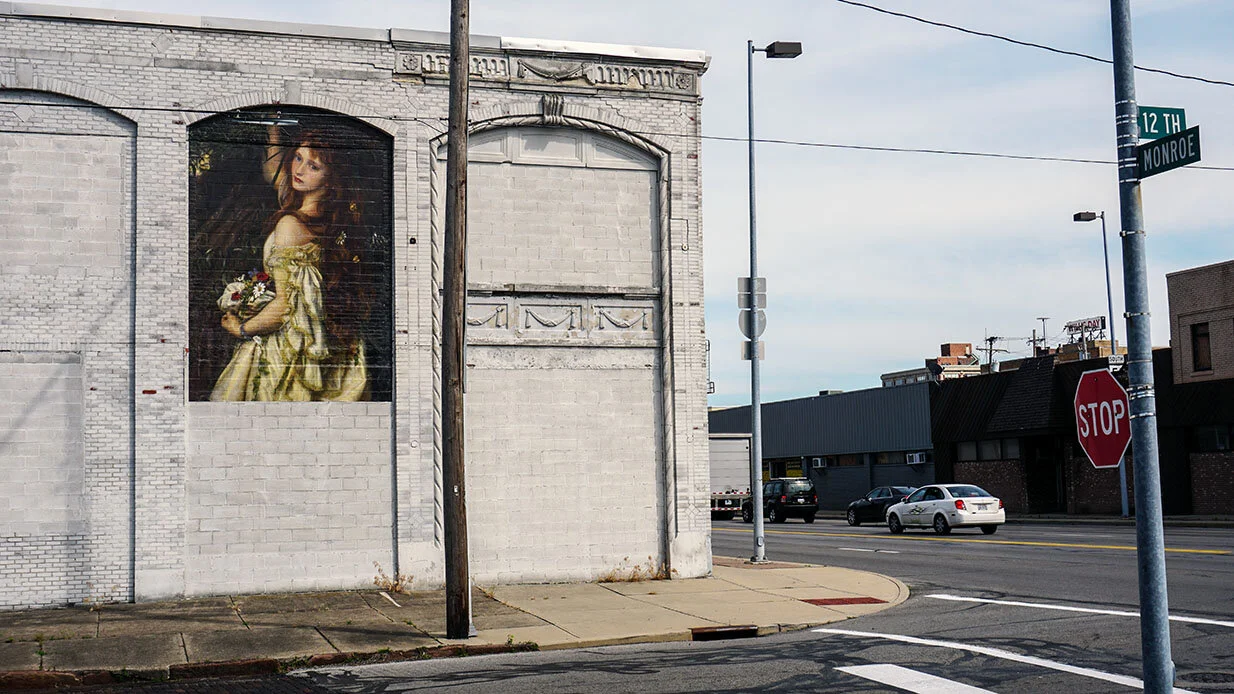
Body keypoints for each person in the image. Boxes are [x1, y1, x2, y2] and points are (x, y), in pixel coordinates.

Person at [210, 126, 370, 401]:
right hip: (320, 339)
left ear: (331, 179)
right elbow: (276, 173)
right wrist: (273, 132)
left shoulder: (290, 225)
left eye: (313, 166)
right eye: (298, 157)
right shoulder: (324, 216)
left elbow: (284, 306)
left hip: (288, 345)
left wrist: (242, 329)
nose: (300, 170)